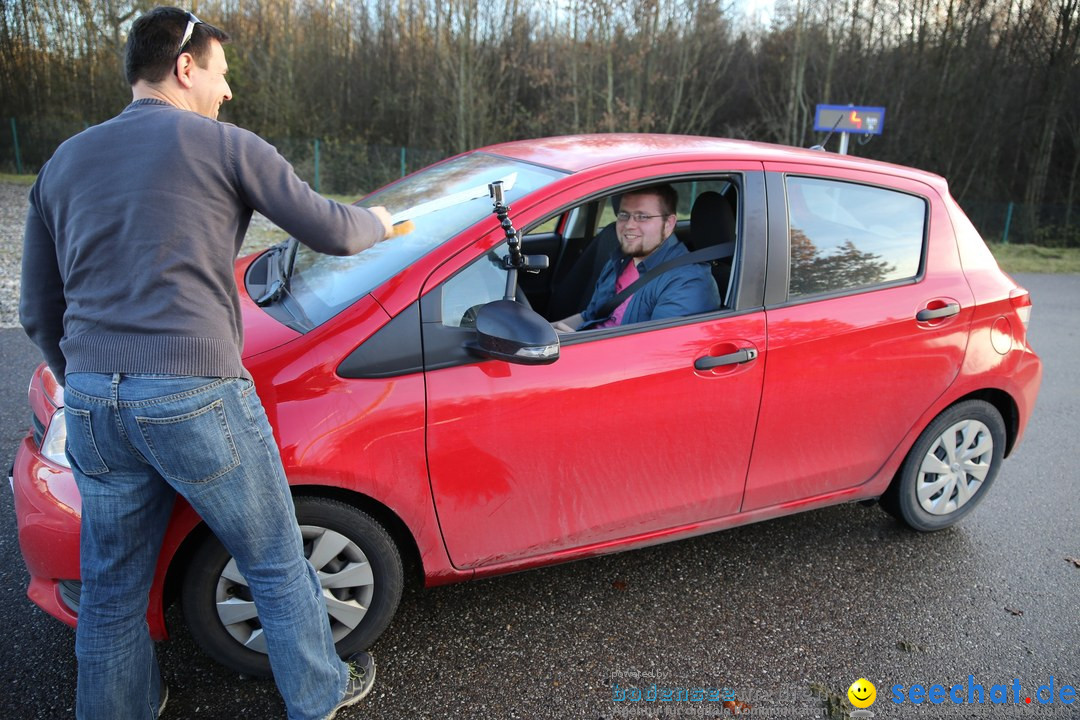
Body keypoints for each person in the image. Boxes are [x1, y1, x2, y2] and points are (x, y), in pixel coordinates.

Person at [19, 7, 392, 719]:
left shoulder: (62, 162)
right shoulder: (224, 146)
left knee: (111, 588)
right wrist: (385, 220)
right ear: (185, 67)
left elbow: (38, 307)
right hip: (194, 392)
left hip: (94, 399)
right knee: (276, 562)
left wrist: (86, 382)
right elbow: (334, 231)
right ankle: (319, 694)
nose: (227, 93)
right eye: (221, 75)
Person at [553, 184, 719, 332]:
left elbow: (655, 355)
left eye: (642, 216)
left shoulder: (688, 282)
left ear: (668, 223)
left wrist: (574, 348)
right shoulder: (618, 261)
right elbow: (588, 316)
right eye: (624, 215)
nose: (629, 225)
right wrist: (548, 332)